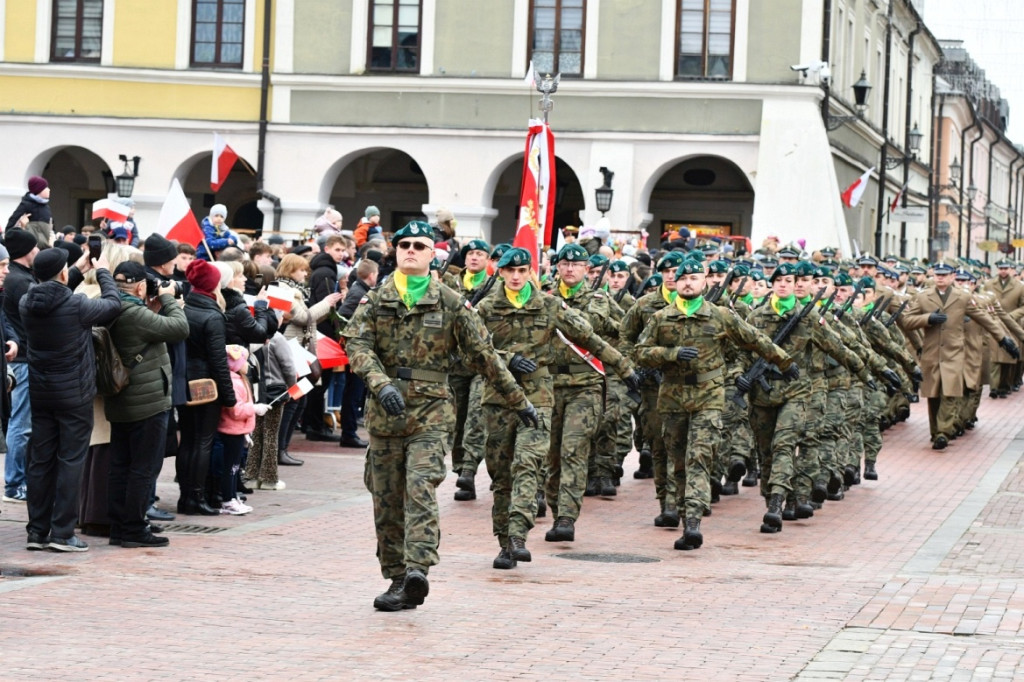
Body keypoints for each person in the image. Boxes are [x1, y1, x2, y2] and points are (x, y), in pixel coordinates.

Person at [343, 220, 539, 612]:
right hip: (385, 415)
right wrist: (380, 384)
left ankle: (417, 570)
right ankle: (397, 576)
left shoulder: (450, 302)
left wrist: (519, 401)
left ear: (433, 254)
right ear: (396, 253)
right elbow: (357, 345)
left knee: (419, 487)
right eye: (404, 245)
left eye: (420, 245)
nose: (411, 250)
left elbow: (485, 356)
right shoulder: (375, 300)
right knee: (386, 498)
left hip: (430, 414)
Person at [476, 247, 634, 569]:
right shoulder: (486, 308)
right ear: (501, 273)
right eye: (510, 271)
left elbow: (589, 337)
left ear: (531, 272)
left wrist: (626, 369)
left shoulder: (548, 306)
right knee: (501, 473)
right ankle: (505, 541)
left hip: (539, 397)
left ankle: (520, 534)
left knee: (529, 462)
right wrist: (506, 360)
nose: (517, 277)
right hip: (498, 399)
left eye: (522, 271)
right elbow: (468, 352)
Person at [636, 257, 793, 549]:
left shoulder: (720, 315)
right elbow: (640, 352)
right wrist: (670, 354)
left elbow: (754, 339)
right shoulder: (661, 318)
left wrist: (783, 361)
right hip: (672, 398)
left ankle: (694, 520)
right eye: (682, 278)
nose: (687, 282)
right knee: (679, 461)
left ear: (704, 281)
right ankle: (685, 518)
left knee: (699, 455)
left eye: (693, 278)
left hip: (708, 396)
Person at [21, 248, 120, 551]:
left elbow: (53, 291)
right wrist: (103, 271)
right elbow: (114, 304)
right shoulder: (77, 305)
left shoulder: (28, 302)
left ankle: (37, 532)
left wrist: (75, 268)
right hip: (74, 395)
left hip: (41, 393)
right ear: (62, 274)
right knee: (70, 461)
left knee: (41, 461)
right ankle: (62, 532)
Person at [105, 261, 189, 548]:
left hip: (121, 399)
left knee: (120, 465)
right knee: (143, 467)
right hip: (147, 402)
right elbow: (179, 327)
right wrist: (167, 298)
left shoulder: (110, 306)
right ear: (140, 286)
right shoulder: (134, 313)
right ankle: (133, 529)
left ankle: (120, 525)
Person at [903, 262, 1018, 449]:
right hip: (932, 353)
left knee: (950, 392)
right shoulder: (923, 297)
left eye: (944, 275)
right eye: (937, 274)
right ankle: (935, 431)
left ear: (952, 276)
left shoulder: (963, 297)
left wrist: (1003, 339)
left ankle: (943, 433)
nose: (940, 278)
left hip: (954, 353)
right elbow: (907, 321)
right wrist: (927, 319)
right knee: (934, 395)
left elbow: (984, 318)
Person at [177, 259, 237, 515]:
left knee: (188, 440)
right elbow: (217, 361)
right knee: (203, 441)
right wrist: (229, 395)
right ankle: (196, 497)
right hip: (206, 385)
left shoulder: (184, 308)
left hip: (184, 380)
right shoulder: (212, 316)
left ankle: (185, 496)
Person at [3, 229, 40, 504]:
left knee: (22, 421)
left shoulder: (18, 278)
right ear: (27, 251)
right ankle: (14, 483)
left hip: (22, 354)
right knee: (21, 422)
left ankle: (17, 480)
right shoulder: (19, 281)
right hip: (24, 360)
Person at [217, 345, 266, 515]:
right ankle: (228, 499)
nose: (247, 364)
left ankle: (231, 496)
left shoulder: (239, 379)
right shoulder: (234, 382)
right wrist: (254, 408)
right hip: (232, 430)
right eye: (244, 360)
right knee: (231, 467)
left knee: (235, 466)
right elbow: (236, 410)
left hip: (238, 429)